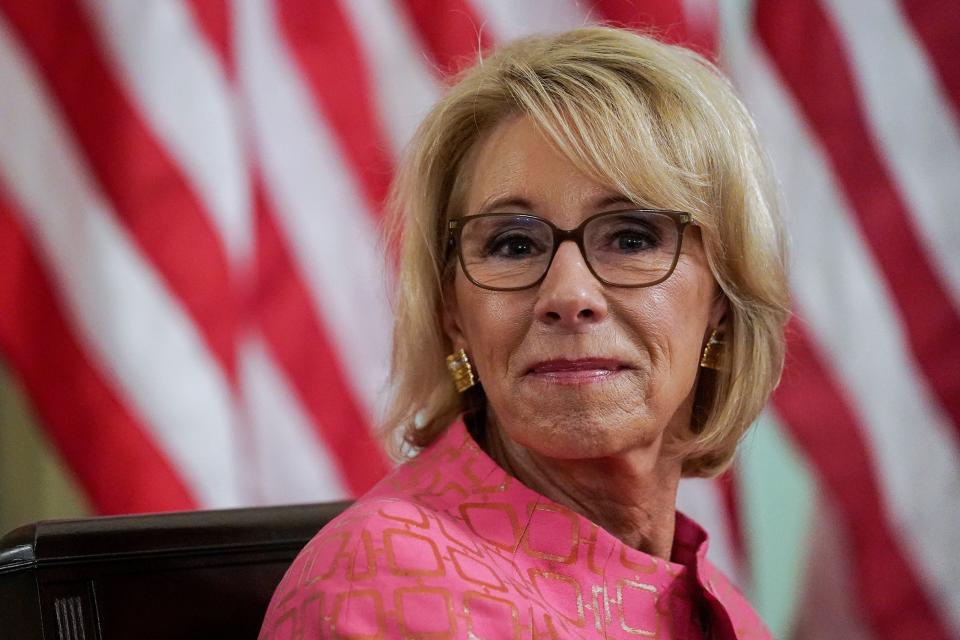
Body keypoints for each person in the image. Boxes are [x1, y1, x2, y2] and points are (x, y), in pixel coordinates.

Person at [259, 26, 789, 639]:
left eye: (631, 238)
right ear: (452, 314)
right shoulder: (381, 588)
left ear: (722, 297)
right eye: (513, 244)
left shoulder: (714, 601)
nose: (569, 296)